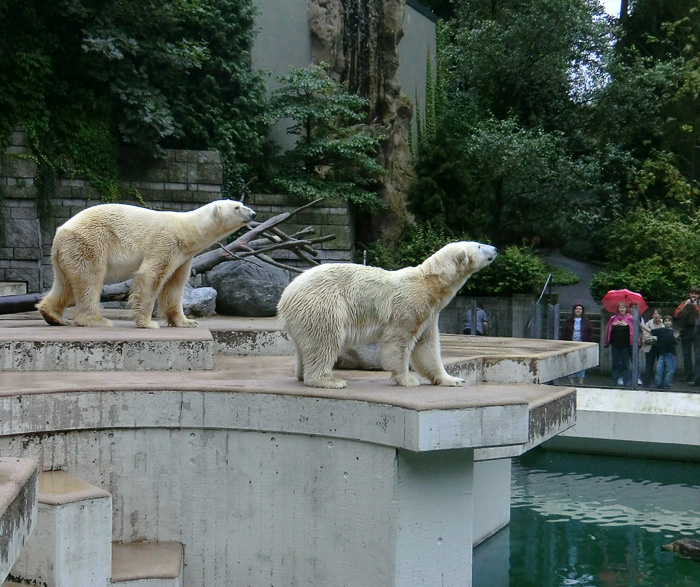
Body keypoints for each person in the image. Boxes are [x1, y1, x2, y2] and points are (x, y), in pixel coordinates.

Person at [561, 303, 594, 385]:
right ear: (574, 310)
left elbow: (590, 332)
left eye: (580, 309)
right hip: (570, 344)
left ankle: (580, 380)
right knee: (571, 362)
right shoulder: (569, 320)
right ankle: (571, 380)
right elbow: (564, 331)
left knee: (582, 362)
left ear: (582, 311)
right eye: (576, 309)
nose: (578, 310)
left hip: (582, 344)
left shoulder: (586, 321)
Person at [604, 302, 636, 386]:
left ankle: (627, 381)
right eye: (620, 308)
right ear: (618, 309)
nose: (622, 309)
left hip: (625, 345)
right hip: (615, 344)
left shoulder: (630, 318)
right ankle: (614, 381)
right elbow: (608, 330)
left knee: (625, 364)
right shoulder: (613, 318)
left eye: (623, 308)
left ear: (626, 309)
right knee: (615, 363)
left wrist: (626, 325)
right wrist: (614, 325)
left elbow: (633, 330)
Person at [673, 287, 700, 381]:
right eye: (692, 293)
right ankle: (688, 375)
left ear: (698, 295)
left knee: (698, 355)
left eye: (695, 294)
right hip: (686, 330)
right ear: (689, 294)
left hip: (697, 330)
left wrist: (696, 306)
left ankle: (697, 378)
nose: (693, 295)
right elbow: (676, 314)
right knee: (686, 354)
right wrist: (685, 305)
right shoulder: (685, 303)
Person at [647, 316, 680, 389]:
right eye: (665, 321)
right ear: (663, 322)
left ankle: (667, 386)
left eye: (669, 321)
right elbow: (649, 330)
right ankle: (658, 385)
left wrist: (675, 338)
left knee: (669, 371)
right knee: (659, 371)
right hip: (662, 354)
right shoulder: (660, 330)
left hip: (670, 354)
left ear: (671, 322)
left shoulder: (674, 331)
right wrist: (639, 324)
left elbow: (677, 343)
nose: (667, 322)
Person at [642, 309, 663, 387]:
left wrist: (654, 337)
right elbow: (646, 338)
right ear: (652, 315)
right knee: (649, 366)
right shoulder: (648, 324)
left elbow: (665, 337)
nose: (656, 315)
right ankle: (646, 383)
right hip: (650, 347)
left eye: (658, 314)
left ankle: (660, 383)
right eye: (655, 314)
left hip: (661, 348)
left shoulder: (664, 323)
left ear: (661, 316)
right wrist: (657, 338)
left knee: (661, 366)